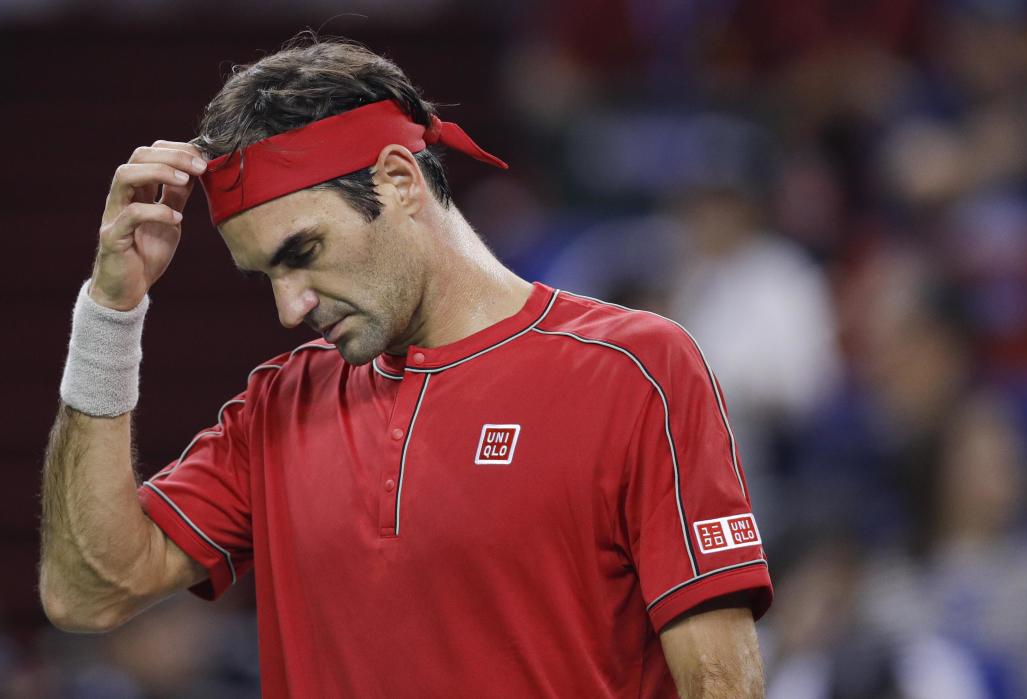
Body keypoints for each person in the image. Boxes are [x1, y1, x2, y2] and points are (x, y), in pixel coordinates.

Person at [38, 36, 772, 699]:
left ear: (397, 180)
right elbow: (86, 591)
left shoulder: (634, 368)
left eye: (302, 253)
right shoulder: (279, 405)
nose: (290, 306)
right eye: (265, 275)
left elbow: (719, 680)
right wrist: (111, 309)